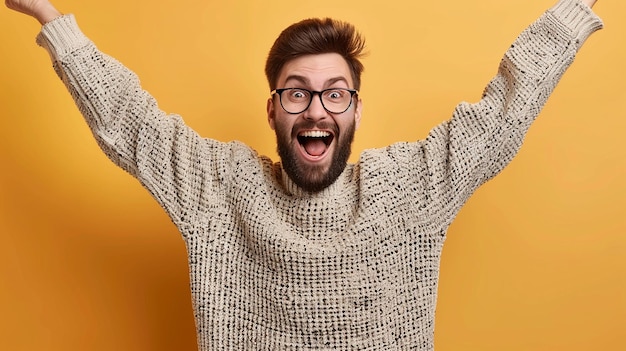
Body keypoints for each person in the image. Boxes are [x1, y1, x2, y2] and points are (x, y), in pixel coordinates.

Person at [5, 0, 603, 349]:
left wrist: (576, 10)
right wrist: (51, 16)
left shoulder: (407, 190)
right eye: (297, 94)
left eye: (335, 94)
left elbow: (499, 115)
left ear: (356, 111)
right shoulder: (221, 189)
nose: (316, 109)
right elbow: (130, 121)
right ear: (273, 109)